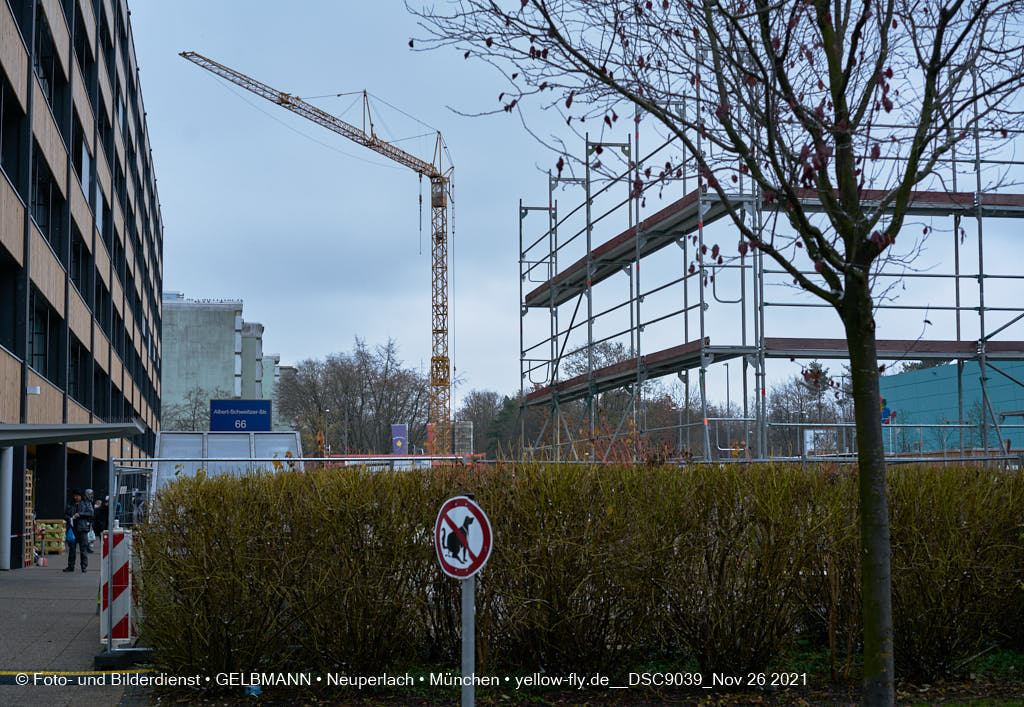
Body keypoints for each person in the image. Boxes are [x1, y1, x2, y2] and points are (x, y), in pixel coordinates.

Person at [63, 489, 93, 573]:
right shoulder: (70, 504)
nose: (76, 497)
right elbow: (65, 515)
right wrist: (69, 518)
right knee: (72, 549)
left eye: (77, 496)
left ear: (81, 496)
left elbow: (91, 513)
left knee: (83, 549)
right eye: (74, 496)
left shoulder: (86, 503)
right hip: (72, 529)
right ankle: (70, 566)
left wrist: (80, 514)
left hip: (82, 529)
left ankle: (84, 567)